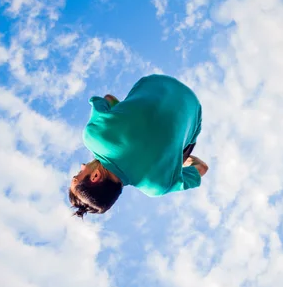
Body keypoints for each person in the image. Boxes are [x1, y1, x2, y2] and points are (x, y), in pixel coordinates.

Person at [69, 74, 209, 218]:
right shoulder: (93, 137)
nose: (82, 166)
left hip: (193, 105)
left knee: (178, 159)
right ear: (95, 176)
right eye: (78, 175)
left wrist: (176, 160)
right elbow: (107, 99)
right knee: (115, 111)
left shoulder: (156, 187)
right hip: (156, 82)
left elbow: (202, 168)